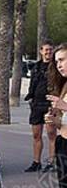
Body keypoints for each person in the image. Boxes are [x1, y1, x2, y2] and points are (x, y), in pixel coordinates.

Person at [42, 44, 67, 188]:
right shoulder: (64, 85)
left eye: (62, 60)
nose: (58, 64)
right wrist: (54, 120)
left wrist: (64, 108)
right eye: (56, 61)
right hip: (63, 146)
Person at [25, 41, 57, 172]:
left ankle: (52, 162)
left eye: (50, 50)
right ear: (41, 51)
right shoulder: (36, 66)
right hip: (37, 104)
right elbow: (32, 83)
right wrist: (31, 98)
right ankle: (36, 162)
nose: (48, 52)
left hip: (50, 104)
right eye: (46, 50)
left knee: (51, 133)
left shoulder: (56, 66)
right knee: (36, 134)